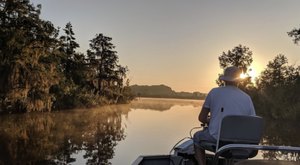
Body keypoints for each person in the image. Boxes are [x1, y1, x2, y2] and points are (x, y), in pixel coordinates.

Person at [193, 66, 256, 165]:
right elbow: (252, 124)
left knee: (197, 137)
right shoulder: (247, 98)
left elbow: (202, 118)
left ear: (224, 80)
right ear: (238, 81)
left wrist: (211, 120)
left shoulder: (214, 92)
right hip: (241, 144)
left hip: (219, 141)